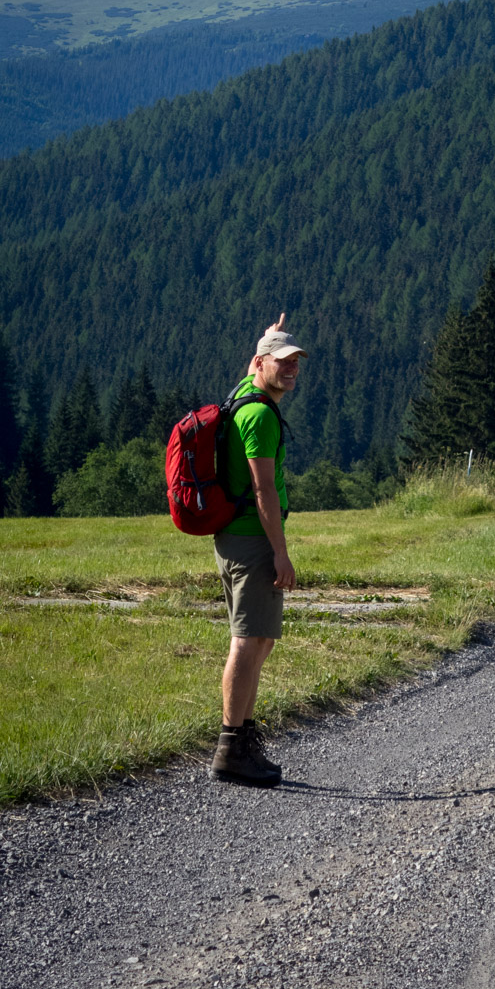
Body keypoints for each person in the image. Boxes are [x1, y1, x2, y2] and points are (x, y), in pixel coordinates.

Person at [210, 316, 308, 786]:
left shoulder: (242, 395)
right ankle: (231, 747)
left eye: (295, 363)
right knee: (248, 642)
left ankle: (243, 739)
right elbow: (264, 490)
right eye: (282, 362)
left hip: (236, 536)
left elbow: (256, 364)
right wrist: (280, 553)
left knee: (260, 638)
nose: (291, 370)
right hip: (252, 540)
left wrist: (269, 336)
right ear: (260, 364)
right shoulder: (261, 416)